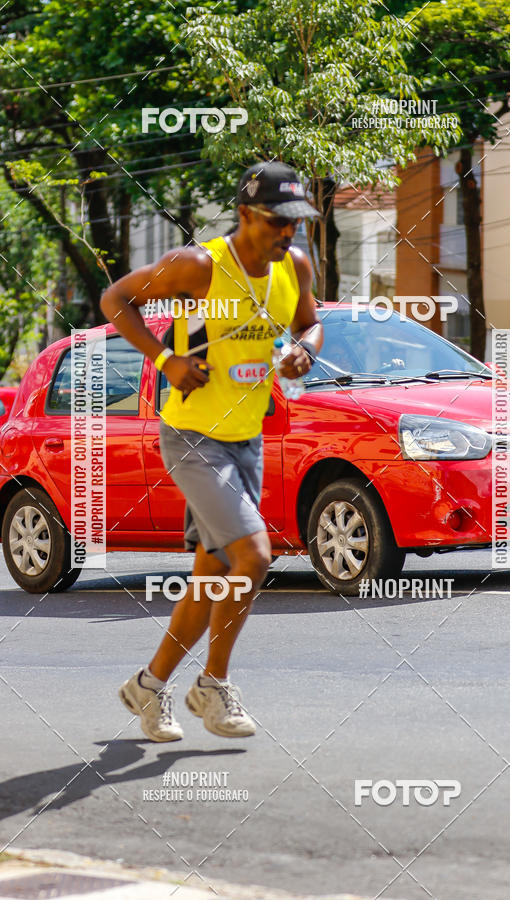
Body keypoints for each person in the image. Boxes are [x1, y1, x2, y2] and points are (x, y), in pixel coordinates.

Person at [100, 161, 323, 742]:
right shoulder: (198, 265)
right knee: (253, 556)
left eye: (296, 223)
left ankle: (148, 688)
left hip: (246, 439)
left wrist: (303, 349)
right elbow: (115, 299)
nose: (289, 234)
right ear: (247, 214)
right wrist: (165, 359)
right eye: (279, 221)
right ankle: (213, 687)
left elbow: (310, 324)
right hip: (192, 437)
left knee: (214, 575)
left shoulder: (293, 266)